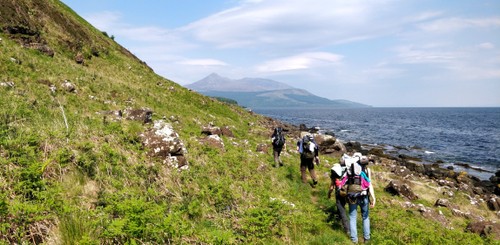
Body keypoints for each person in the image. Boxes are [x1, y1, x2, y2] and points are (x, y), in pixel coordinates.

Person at [347, 155, 376, 244]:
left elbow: (346, 181)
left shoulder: (350, 168)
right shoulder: (367, 170)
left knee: (352, 217)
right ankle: (366, 239)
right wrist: (373, 198)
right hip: (364, 196)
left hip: (352, 196)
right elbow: (369, 184)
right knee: (365, 217)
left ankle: (354, 240)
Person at [328, 162, 350, 235]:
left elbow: (331, 187)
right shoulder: (346, 173)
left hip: (339, 194)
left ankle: (347, 229)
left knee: (341, 209)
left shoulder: (334, 175)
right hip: (347, 193)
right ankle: (338, 218)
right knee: (341, 207)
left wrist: (329, 194)